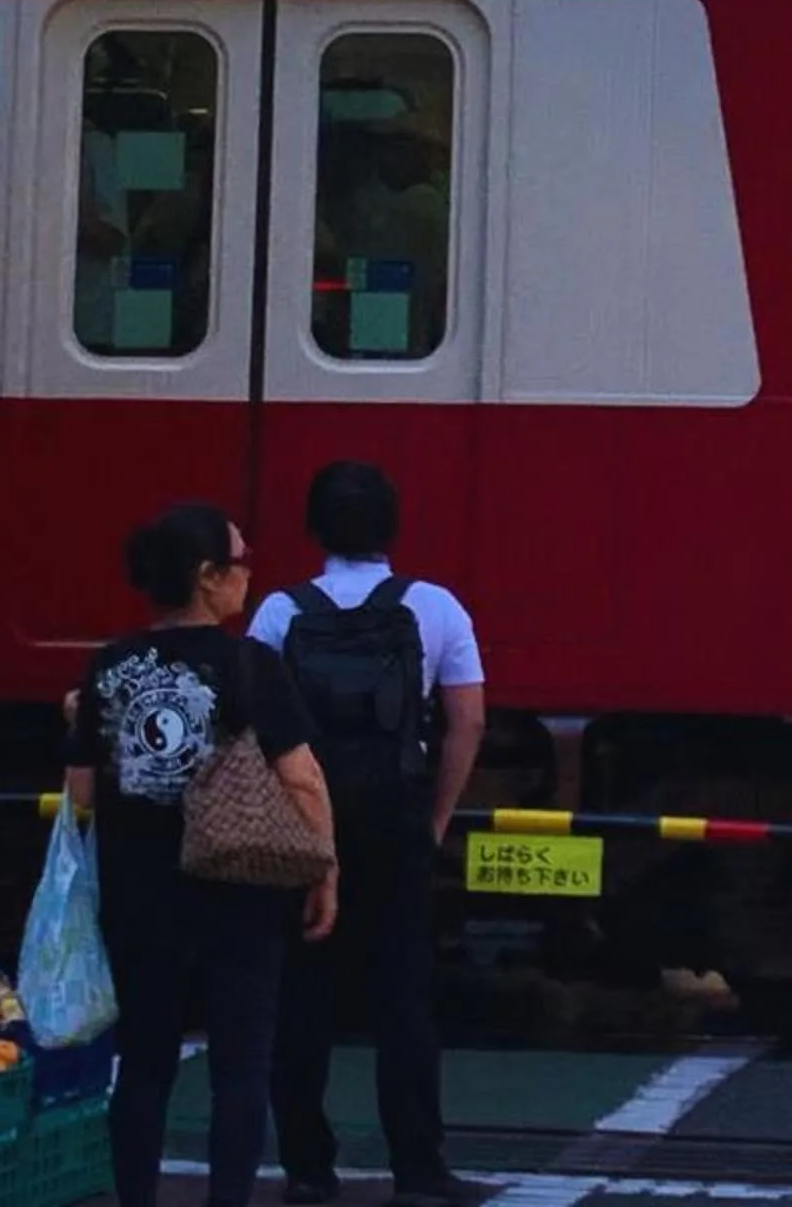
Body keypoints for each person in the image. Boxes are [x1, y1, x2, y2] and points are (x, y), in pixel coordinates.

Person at [67, 504, 337, 1207]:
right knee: (240, 1070)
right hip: (241, 892)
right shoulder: (251, 664)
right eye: (241, 562)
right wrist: (323, 867)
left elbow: (83, 793)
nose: (249, 576)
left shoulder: (109, 664)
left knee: (145, 1065)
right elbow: (302, 776)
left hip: (137, 894)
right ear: (207, 576)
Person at [250, 463, 488, 1207]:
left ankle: (308, 1168)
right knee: (404, 1000)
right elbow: (466, 722)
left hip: (303, 828)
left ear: (315, 529)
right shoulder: (436, 607)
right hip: (397, 822)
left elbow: (256, 730)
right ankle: (419, 1170)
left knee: (301, 1000)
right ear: (393, 527)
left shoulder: (278, 613)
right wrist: (435, 818)